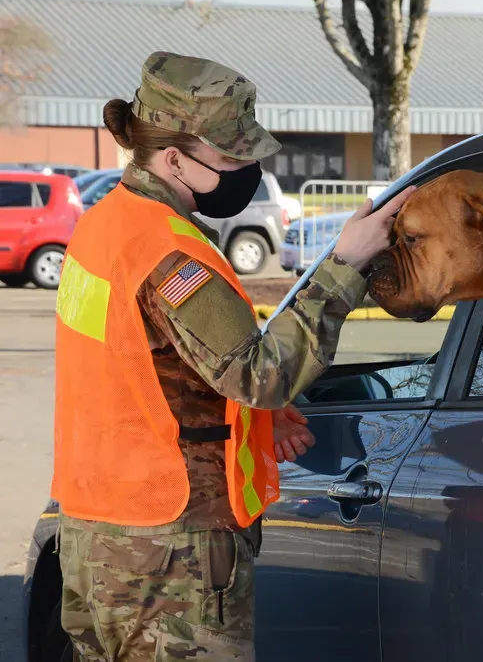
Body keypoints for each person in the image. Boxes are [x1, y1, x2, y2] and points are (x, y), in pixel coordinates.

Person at [51, 51, 414, 661]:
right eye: (230, 157)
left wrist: (255, 421)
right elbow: (261, 374)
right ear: (172, 158)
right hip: (172, 545)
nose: (247, 168)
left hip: (92, 533)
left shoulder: (103, 226)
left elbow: (144, 368)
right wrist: (344, 266)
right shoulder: (171, 254)